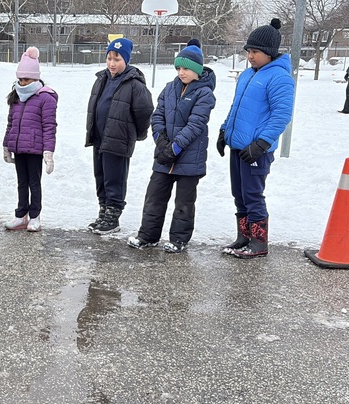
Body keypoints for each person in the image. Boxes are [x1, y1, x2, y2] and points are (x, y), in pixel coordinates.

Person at [127, 39, 216, 253]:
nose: (181, 72)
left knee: (184, 203)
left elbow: (196, 124)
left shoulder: (204, 94)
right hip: (164, 156)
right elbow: (157, 116)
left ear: (197, 69)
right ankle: (148, 235)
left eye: (186, 68)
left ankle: (179, 239)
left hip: (189, 158)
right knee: (154, 197)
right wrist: (162, 141)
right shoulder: (169, 89)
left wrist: (175, 148)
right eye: (178, 68)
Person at [216, 19, 294, 259]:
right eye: (249, 51)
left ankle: (259, 242)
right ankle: (244, 236)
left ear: (269, 53)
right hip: (238, 146)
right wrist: (223, 131)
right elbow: (236, 107)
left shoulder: (279, 78)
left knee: (252, 194)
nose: (250, 56)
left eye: (255, 51)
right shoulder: (248, 75)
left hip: (256, 150)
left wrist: (261, 143)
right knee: (239, 193)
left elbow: (282, 115)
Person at [84, 38, 154, 235]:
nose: (112, 63)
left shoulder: (134, 84)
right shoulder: (101, 79)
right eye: (109, 58)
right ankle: (103, 211)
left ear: (126, 60)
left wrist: (134, 134)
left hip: (118, 139)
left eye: (117, 59)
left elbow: (145, 111)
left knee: (115, 179)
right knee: (101, 177)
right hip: (99, 138)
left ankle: (113, 217)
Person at [2, 47, 58, 232]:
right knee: (21, 182)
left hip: (34, 148)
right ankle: (21, 214)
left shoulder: (45, 98)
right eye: (20, 79)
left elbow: (49, 126)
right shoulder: (16, 97)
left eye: (26, 79)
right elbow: (11, 123)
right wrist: (6, 145)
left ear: (35, 78)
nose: (23, 83)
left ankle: (35, 215)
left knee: (34, 183)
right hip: (19, 148)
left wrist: (48, 151)